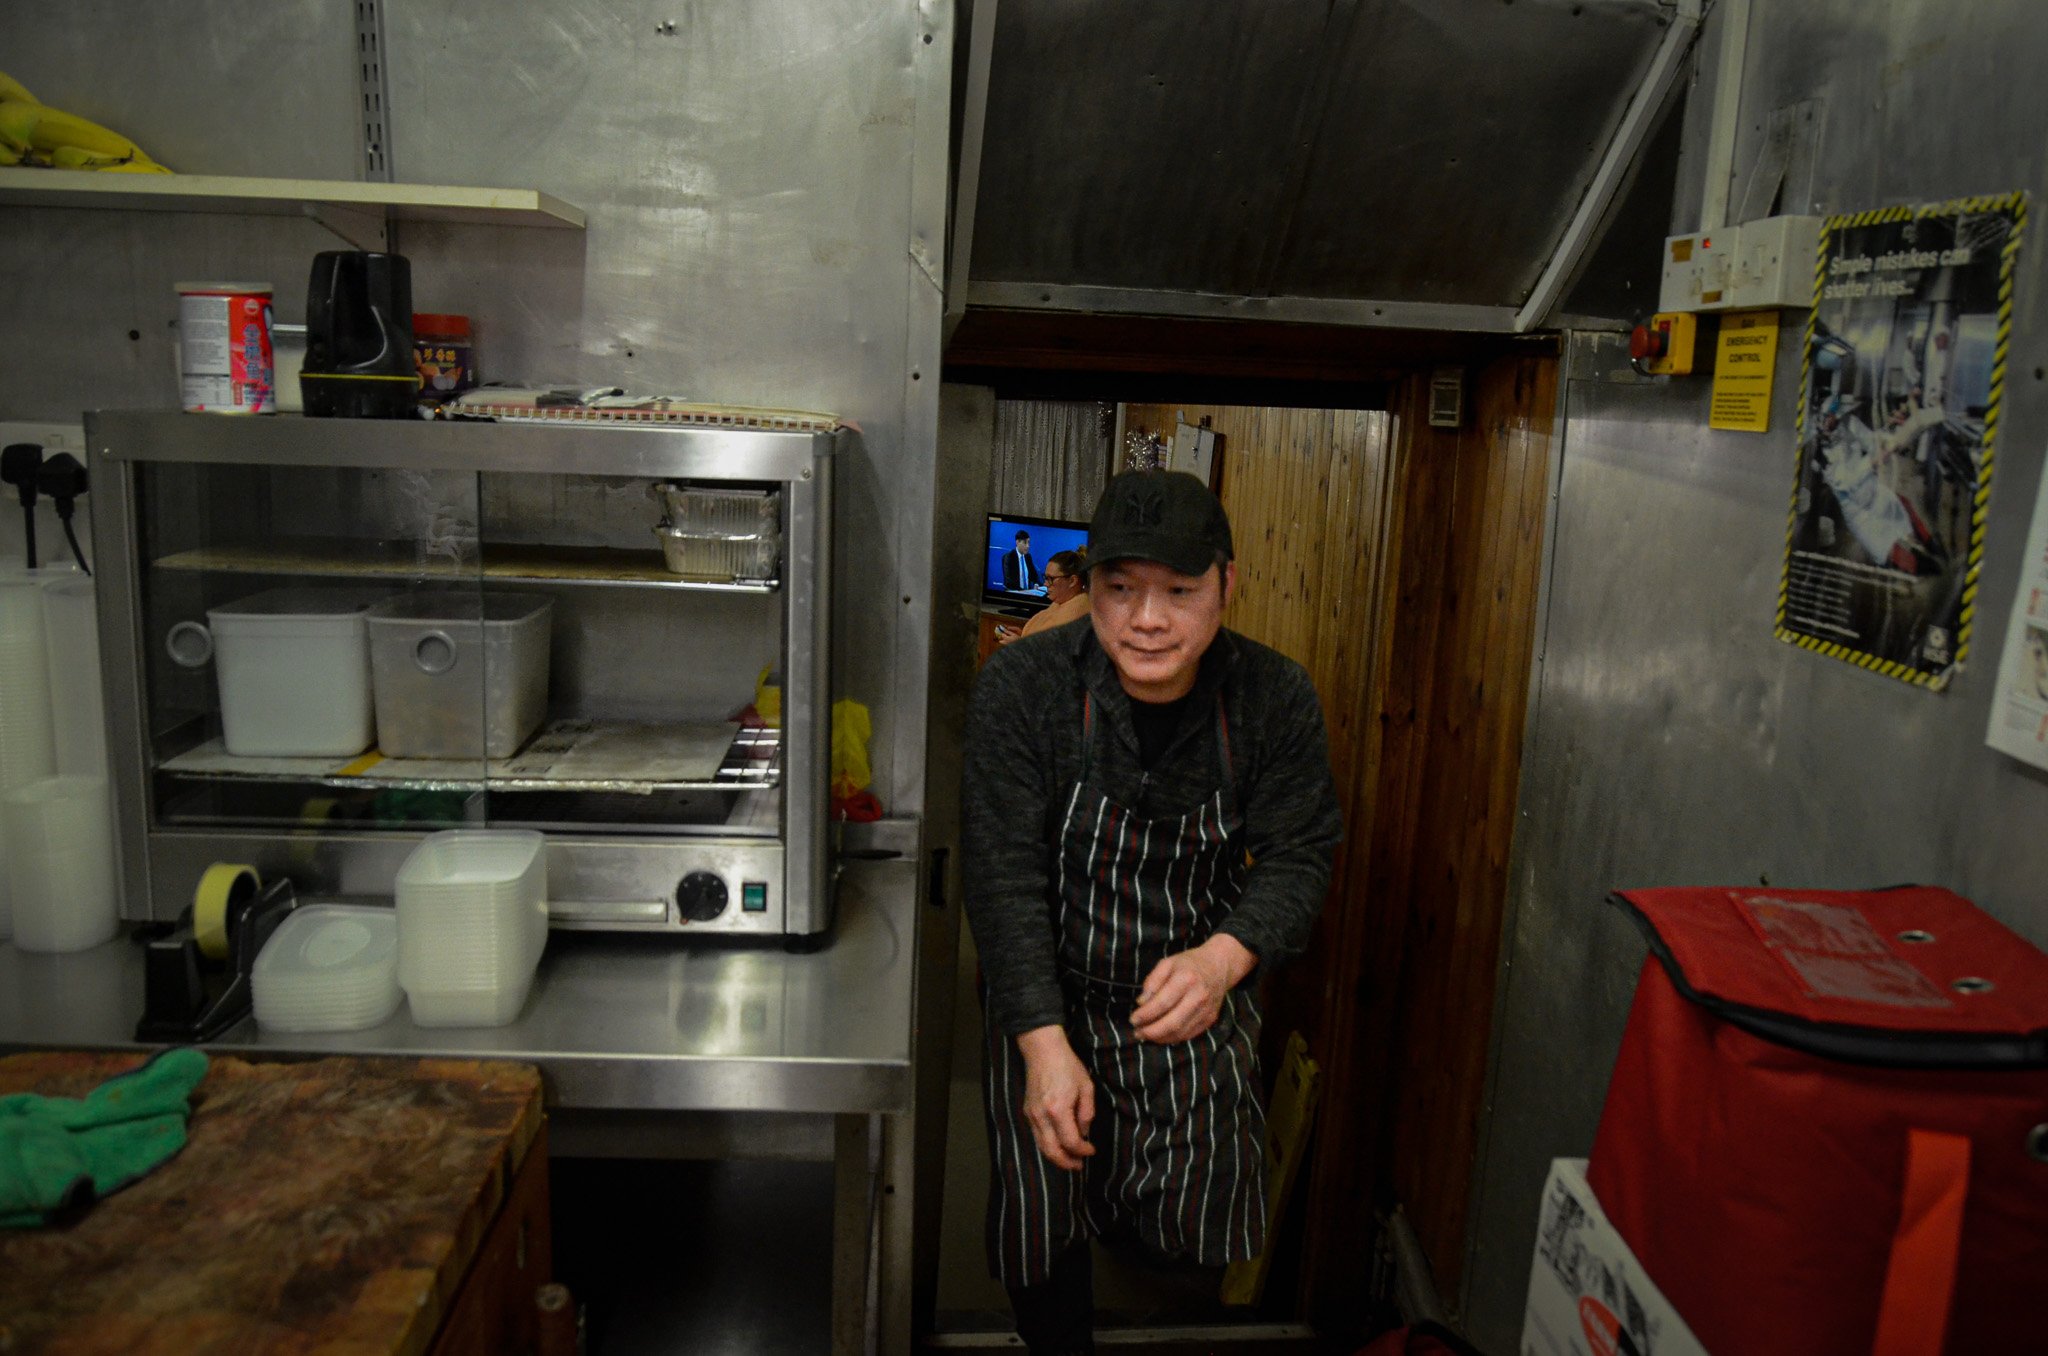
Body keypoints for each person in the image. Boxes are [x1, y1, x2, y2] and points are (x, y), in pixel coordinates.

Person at [962, 470, 1343, 1355]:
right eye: (1121, 589)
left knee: (1191, 1219)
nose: (1148, 620)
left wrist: (1225, 958)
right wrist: (1041, 1044)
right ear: (1088, 586)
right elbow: (1002, 875)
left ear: (1226, 585)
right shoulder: (1025, 688)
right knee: (1042, 1207)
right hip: (1045, 990)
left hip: (1188, 991)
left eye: (1180, 591)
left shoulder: (1273, 697)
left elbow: (1299, 850)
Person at [999, 550, 1090, 645]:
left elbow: (1055, 656)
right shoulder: (1060, 603)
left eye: (1051, 579)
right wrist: (1024, 636)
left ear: (1072, 581)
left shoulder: (1077, 617)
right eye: (1045, 578)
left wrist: (1019, 644)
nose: (1045, 584)